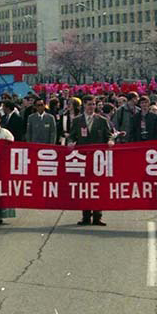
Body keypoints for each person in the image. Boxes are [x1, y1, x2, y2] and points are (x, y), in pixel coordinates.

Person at [66, 95, 115, 227]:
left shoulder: (102, 120)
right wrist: (70, 142)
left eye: (93, 104)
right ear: (84, 106)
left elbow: (109, 135)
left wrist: (110, 141)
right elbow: (72, 136)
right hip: (83, 158)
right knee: (85, 188)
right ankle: (86, 216)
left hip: (98, 159)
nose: (91, 107)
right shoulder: (77, 121)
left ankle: (98, 216)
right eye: (89, 104)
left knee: (98, 188)